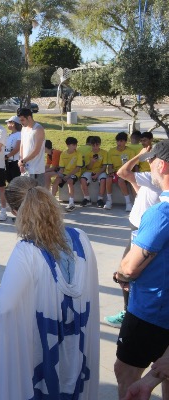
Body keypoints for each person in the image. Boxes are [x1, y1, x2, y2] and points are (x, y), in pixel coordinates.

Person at [0, 176, 100, 400]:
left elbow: (6, 308)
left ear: (15, 211)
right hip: (77, 345)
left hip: (44, 346)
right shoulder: (81, 238)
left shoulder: (26, 252)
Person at [114, 140, 169, 400]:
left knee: (126, 372)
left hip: (150, 312)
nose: (150, 167)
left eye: (151, 162)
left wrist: (120, 274)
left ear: (162, 165)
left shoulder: (161, 213)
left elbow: (130, 267)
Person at [104, 145, 161, 329]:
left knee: (125, 274)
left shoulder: (152, 178)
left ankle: (129, 313)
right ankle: (131, 311)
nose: (148, 161)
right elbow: (141, 192)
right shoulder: (151, 179)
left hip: (141, 231)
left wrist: (138, 155)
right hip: (138, 228)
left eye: (151, 158)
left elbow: (122, 172)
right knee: (130, 274)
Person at [105, 131, 136, 211]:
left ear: (125, 142)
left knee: (121, 181)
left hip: (126, 172)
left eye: (121, 141)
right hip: (115, 172)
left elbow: (132, 166)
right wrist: (110, 172)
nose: (119, 143)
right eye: (118, 141)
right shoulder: (111, 151)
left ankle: (128, 203)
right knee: (108, 179)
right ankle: (109, 201)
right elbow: (110, 166)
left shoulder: (131, 152)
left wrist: (126, 173)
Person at [51, 136, 83, 211]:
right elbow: (62, 168)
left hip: (75, 173)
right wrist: (60, 174)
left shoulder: (78, 154)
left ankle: (71, 203)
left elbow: (78, 168)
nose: (75, 146)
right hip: (65, 173)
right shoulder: (63, 154)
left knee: (70, 181)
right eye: (73, 145)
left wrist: (68, 176)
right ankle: (52, 201)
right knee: (56, 181)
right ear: (68, 145)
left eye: (76, 145)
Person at [17, 107, 46, 183]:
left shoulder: (38, 129)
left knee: (36, 190)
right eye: (20, 120)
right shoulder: (23, 128)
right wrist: (21, 162)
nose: (21, 123)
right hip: (25, 169)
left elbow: (36, 150)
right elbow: (22, 146)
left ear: (29, 117)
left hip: (36, 170)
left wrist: (23, 161)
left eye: (22, 120)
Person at [79, 136, 108, 207]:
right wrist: (92, 162)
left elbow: (104, 166)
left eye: (97, 145)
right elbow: (88, 167)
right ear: (91, 145)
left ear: (100, 144)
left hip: (101, 171)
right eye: (93, 145)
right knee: (82, 179)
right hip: (90, 171)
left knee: (103, 179)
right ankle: (87, 198)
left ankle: (100, 199)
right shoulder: (88, 154)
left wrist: (97, 174)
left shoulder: (104, 153)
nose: (95, 147)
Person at [4, 115, 22, 183]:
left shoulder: (19, 134)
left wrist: (7, 156)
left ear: (13, 124)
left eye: (8, 122)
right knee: (9, 181)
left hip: (15, 162)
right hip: (8, 162)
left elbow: (17, 148)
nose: (7, 124)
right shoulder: (10, 135)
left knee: (15, 182)